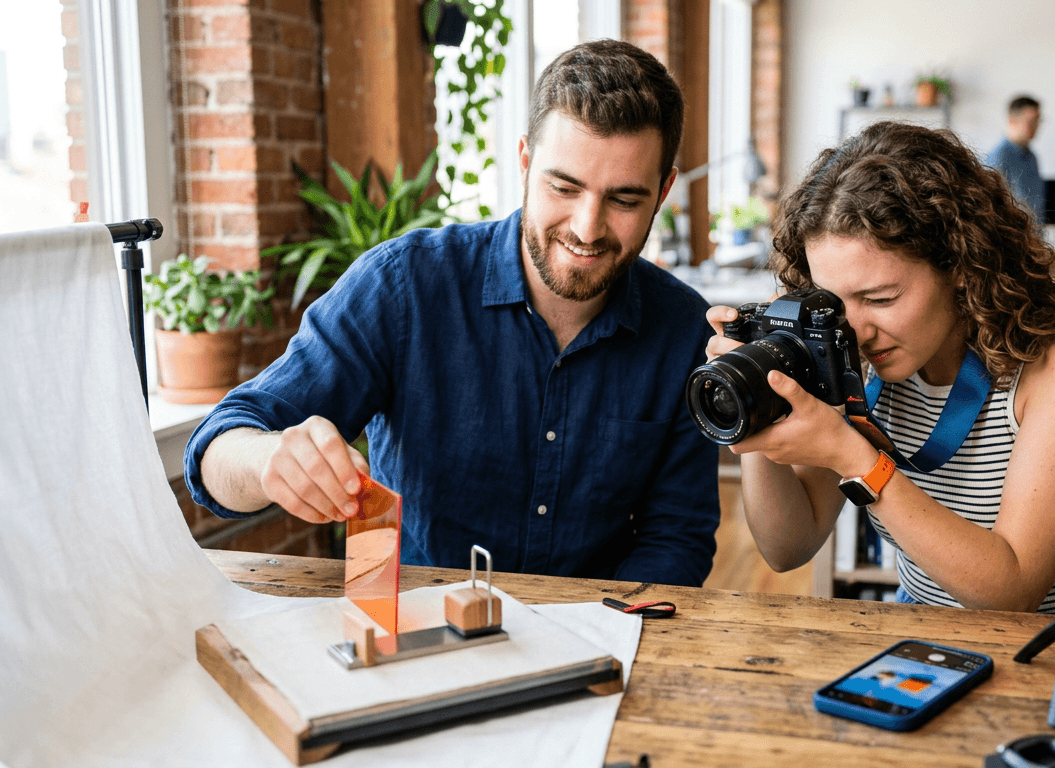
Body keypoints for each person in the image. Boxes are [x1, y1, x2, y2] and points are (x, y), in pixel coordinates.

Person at [185, 40, 720, 587]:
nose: (587, 227)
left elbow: (676, 537)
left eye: (624, 200)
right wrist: (266, 459)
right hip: (417, 639)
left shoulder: (684, 332)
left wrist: (612, 635)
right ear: (525, 161)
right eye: (563, 187)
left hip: (599, 637)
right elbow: (215, 451)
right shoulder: (404, 286)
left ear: (663, 192)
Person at [707, 121, 1055, 613]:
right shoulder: (847, 348)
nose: (857, 332)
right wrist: (754, 391)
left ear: (961, 264)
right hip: (927, 649)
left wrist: (856, 459)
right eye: (835, 302)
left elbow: (1013, 592)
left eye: (881, 298)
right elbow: (787, 548)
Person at [984, 95, 1044, 222]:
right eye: (1031, 121)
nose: (1036, 126)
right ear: (1012, 121)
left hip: (1032, 234)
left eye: (1038, 120)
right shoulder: (998, 157)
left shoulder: (1032, 157)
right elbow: (990, 209)